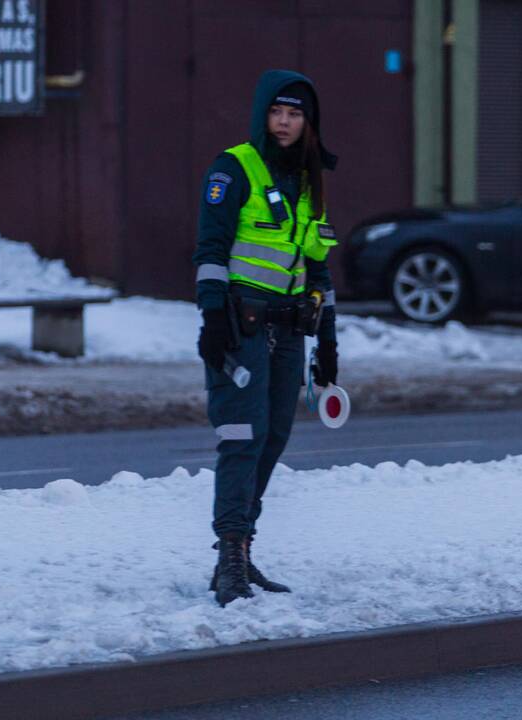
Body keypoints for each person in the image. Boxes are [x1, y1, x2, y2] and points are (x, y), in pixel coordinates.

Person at [193, 69, 339, 607]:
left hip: (288, 331)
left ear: (309, 122)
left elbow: (317, 269)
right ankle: (228, 557)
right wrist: (212, 319)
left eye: (295, 113)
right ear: (261, 114)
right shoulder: (234, 168)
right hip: (239, 324)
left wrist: (328, 345)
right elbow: (210, 250)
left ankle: (244, 548)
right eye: (277, 112)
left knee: (273, 436)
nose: (284, 122)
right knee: (240, 436)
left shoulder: (307, 180)